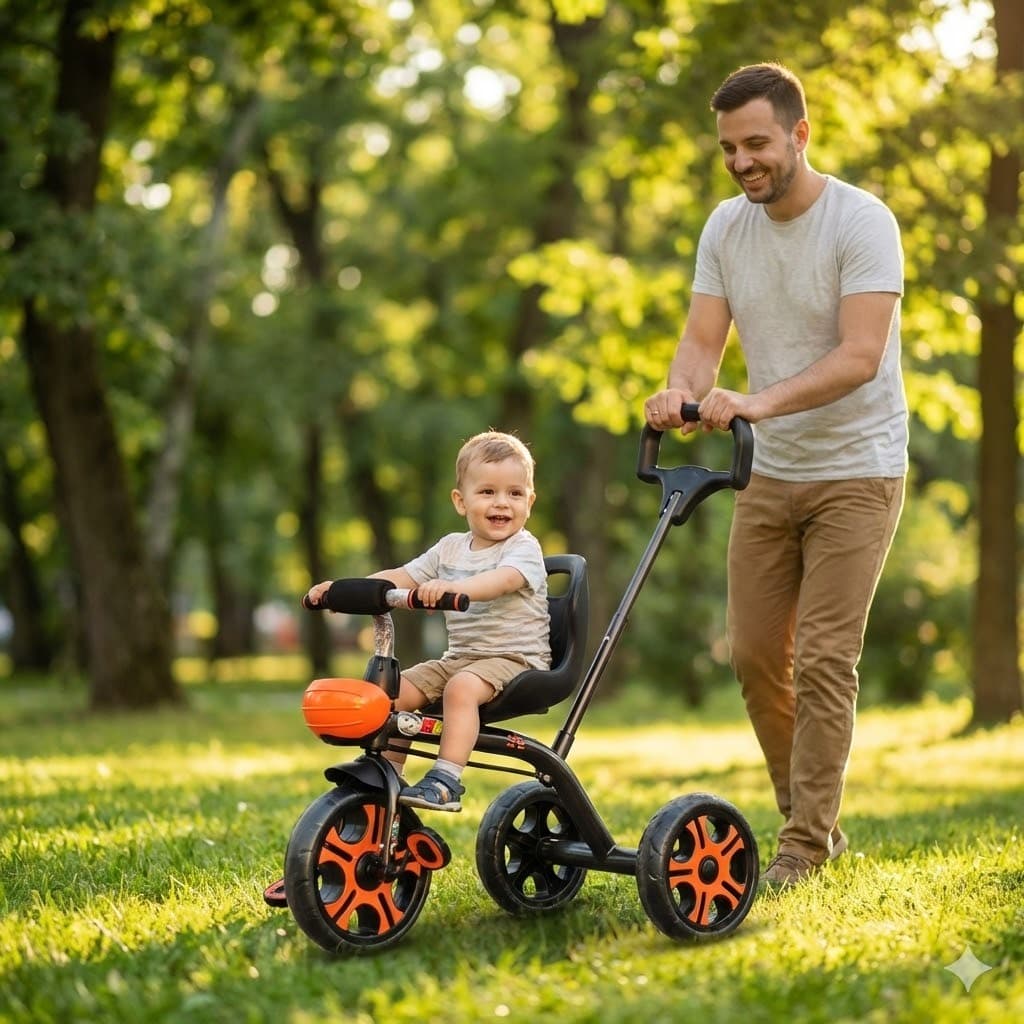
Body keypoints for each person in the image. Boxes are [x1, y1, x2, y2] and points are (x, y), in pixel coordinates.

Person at [644, 62, 907, 888]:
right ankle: (816, 825)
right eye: (728, 147)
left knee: (827, 656)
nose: (741, 161)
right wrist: (679, 393)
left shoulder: (862, 222)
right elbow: (702, 340)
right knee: (758, 657)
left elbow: (861, 357)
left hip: (857, 472)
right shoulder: (726, 227)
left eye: (756, 143)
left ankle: (800, 845)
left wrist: (758, 403)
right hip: (769, 476)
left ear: (799, 133)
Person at [306, 431, 549, 812]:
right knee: (393, 694)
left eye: (515, 494)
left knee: (461, 689)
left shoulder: (523, 548)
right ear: (460, 500)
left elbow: (501, 581)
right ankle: (388, 775)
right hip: (461, 658)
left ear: (529, 502)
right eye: (487, 492)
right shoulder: (449, 547)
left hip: (516, 660)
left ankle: (447, 778)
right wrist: (343, 589)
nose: (502, 503)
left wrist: (455, 586)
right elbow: (403, 576)